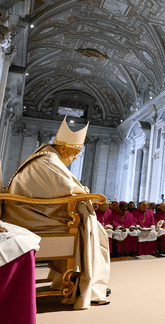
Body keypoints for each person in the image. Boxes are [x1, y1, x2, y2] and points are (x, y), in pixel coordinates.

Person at [2, 116, 110, 308]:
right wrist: (83, 193)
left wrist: (80, 192)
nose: (76, 157)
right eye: (75, 151)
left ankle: (80, 279)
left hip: (29, 211)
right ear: (62, 146)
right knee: (91, 227)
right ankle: (86, 283)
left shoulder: (48, 157)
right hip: (27, 215)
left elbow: (61, 187)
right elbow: (66, 189)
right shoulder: (48, 160)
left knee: (92, 224)